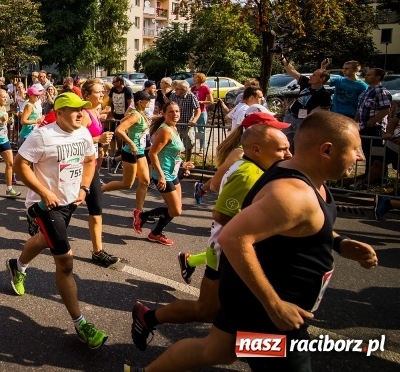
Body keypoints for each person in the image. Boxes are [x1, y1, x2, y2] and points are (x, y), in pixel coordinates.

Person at [128, 111, 378, 372]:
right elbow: (233, 236)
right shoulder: (291, 193)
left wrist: (338, 242)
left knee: (218, 350)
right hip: (269, 313)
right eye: (355, 149)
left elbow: (298, 224)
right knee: (226, 332)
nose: (360, 156)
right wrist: (274, 305)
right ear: (326, 150)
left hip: (258, 300)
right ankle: (149, 318)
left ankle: (147, 336)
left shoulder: (300, 177)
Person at [131, 121, 292, 353]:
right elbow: (222, 215)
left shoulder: (259, 167)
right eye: (281, 149)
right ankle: (150, 320)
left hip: (236, 252)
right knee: (211, 313)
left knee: (216, 319)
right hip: (229, 253)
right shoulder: (248, 173)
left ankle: (150, 318)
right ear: (257, 148)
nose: (288, 154)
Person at [7, 92, 108, 349]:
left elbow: (89, 161)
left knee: (43, 240)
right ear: (59, 113)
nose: (80, 113)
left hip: (69, 202)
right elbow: (20, 165)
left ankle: (17, 266)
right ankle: (80, 323)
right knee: (65, 262)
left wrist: (84, 187)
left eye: (82, 109)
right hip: (46, 205)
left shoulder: (84, 134)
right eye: (74, 109)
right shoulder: (42, 136)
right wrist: (44, 192)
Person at [137, 102, 193, 246]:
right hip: (163, 174)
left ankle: (155, 233)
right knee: (175, 210)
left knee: (175, 209)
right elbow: (152, 153)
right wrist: (161, 175)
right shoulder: (165, 131)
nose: (175, 114)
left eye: (177, 111)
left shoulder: (173, 128)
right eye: (171, 112)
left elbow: (172, 153)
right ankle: (143, 217)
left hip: (172, 173)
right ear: (164, 113)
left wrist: (183, 164)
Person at [78, 78, 117, 267]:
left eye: (103, 91)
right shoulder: (83, 114)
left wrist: (99, 147)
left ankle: (98, 251)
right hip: (78, 167)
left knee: (96, 207)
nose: (102, 94)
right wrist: (97, 139)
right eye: (98, 91)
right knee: (67, 205)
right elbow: (75, 140)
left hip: (91, 165)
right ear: (86, 95)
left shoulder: (95, 111)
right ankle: (39, 215)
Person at [103, 91, 154, 233]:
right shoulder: (136, 115)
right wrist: (131, 143)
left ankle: (139, 213)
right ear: (139, 102)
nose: (150, 102)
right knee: (127, 184)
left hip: (140, 151)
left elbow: (123, 122)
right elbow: (119, 130)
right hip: (131, 152)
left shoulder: (140, 114)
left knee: (145, 181)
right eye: (147, 100)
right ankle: (99, 190)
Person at [354, 67, 392, 187]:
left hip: (376, 128)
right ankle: (368, 174)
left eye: (369, 75)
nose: (366, 76)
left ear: (378, 77)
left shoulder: (381, 91)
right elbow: (361, 108)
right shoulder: (366, 91)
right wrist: (355, 120)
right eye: (366, 74)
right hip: (364, 127)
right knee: (367, 152)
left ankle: (380, 178)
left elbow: (385, 110)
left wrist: (372, 121)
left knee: (377, 154)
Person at [280, 56, 331, 139]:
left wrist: (311, 118)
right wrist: (281, 57)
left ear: (322, 79)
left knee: (298, 142)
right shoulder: (306, 82)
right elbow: (291, 71)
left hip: (302, 122)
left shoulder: (324, 94)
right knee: (284, 139)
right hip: (289, 116)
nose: (310, 76)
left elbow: (325, 112)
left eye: (314, 75)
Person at [171, 80, 200, 167]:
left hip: (187, 126)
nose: (175, 90)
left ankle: (187, 165)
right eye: (175, 88)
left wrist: (194, 120)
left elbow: (198, 109)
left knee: (188, 146)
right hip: (175, 126)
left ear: (184, 90)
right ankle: (176, 165)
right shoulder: (173, 96)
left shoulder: (191, 96)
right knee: (174, 146)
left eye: (177, 89)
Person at [190, 73, 213, 152]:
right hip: (193, 112)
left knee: (201, 130)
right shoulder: (192, 88)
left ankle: (201, 148)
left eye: (195, 77)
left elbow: (211, 101)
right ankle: (190, 147)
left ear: (200, 79)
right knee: (191, 130)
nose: (193, 79)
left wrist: (201, 102)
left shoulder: (205, 88)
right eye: (194, 77)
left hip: (202, 111)